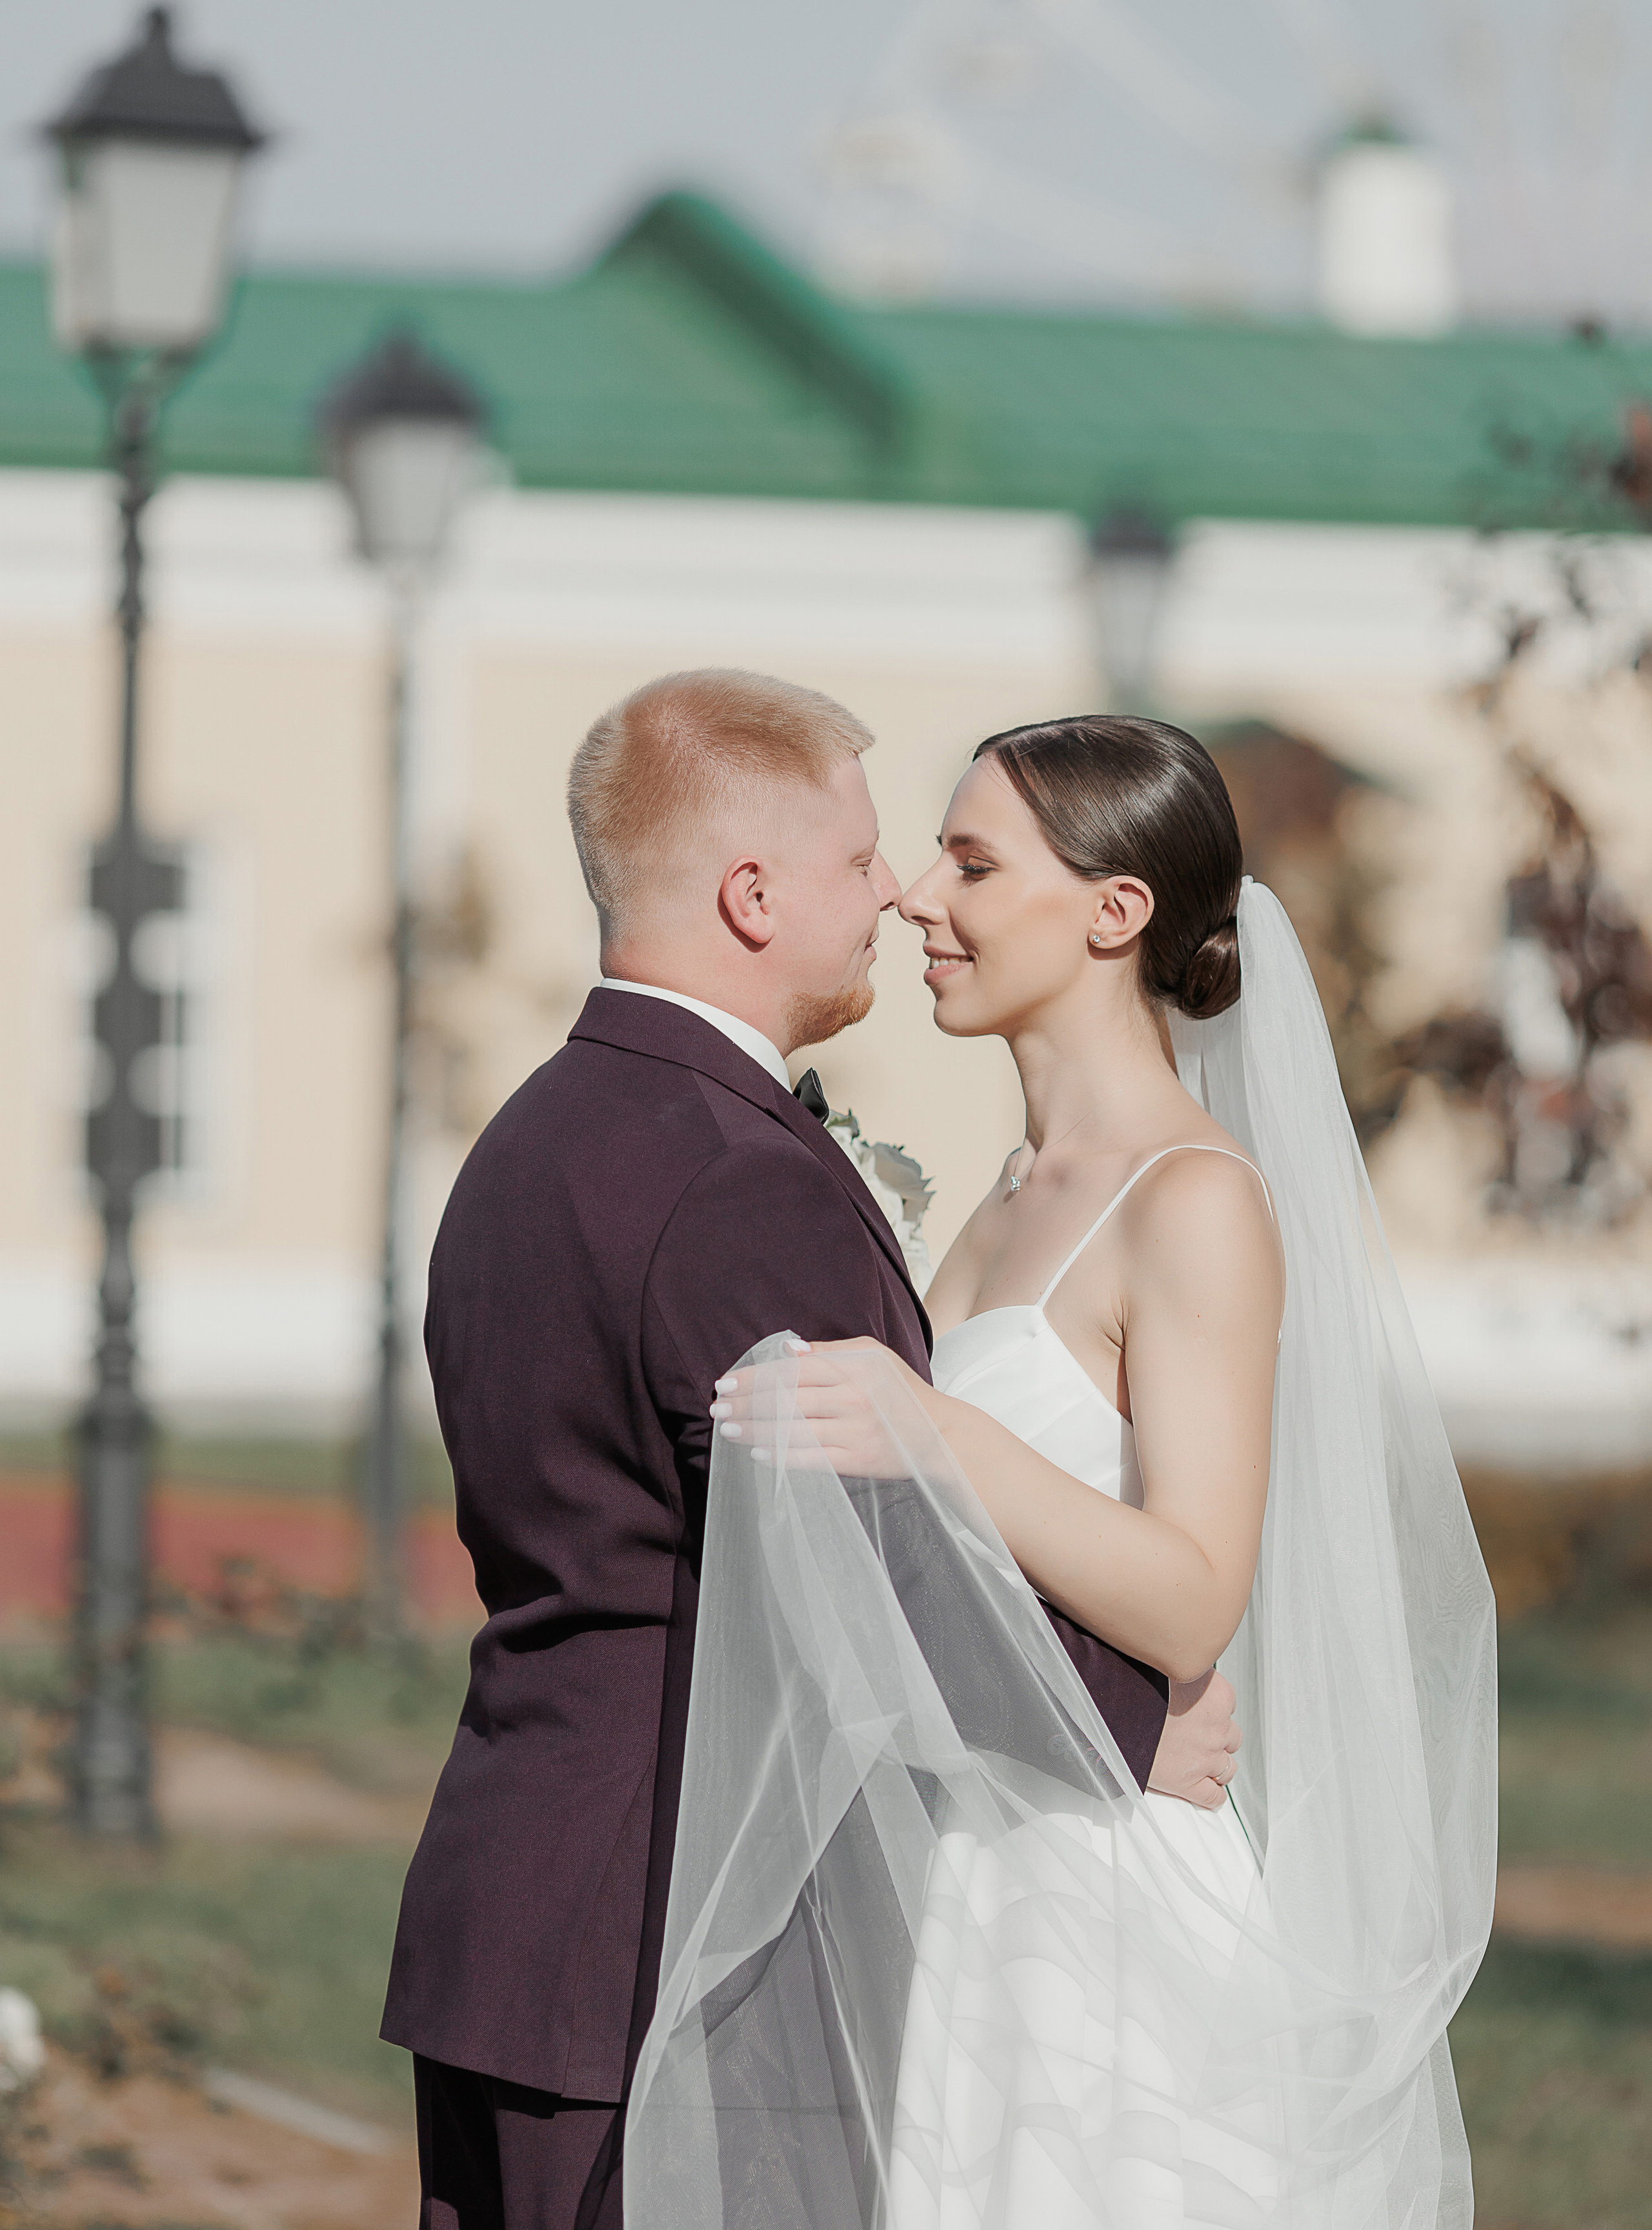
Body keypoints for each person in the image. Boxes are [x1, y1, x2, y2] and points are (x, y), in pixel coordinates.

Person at [380, 676, 1240, 2230]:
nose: (898, 894)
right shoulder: (730, 1178)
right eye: (865, 863)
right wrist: (1124, 1729)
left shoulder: (535, 1137)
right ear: (751, 893)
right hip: (672, 1930)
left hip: (516, 1911)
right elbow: (846, 1564)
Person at [641, 714, 1497, 2228]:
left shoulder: (1192, 1203)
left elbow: (1189, 1598)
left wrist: (932, 1429)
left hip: (1099, 1915)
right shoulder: (1003, 1192)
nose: (914, 896)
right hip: (959, 1865)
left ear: (1114, 913)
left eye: (970, 864)